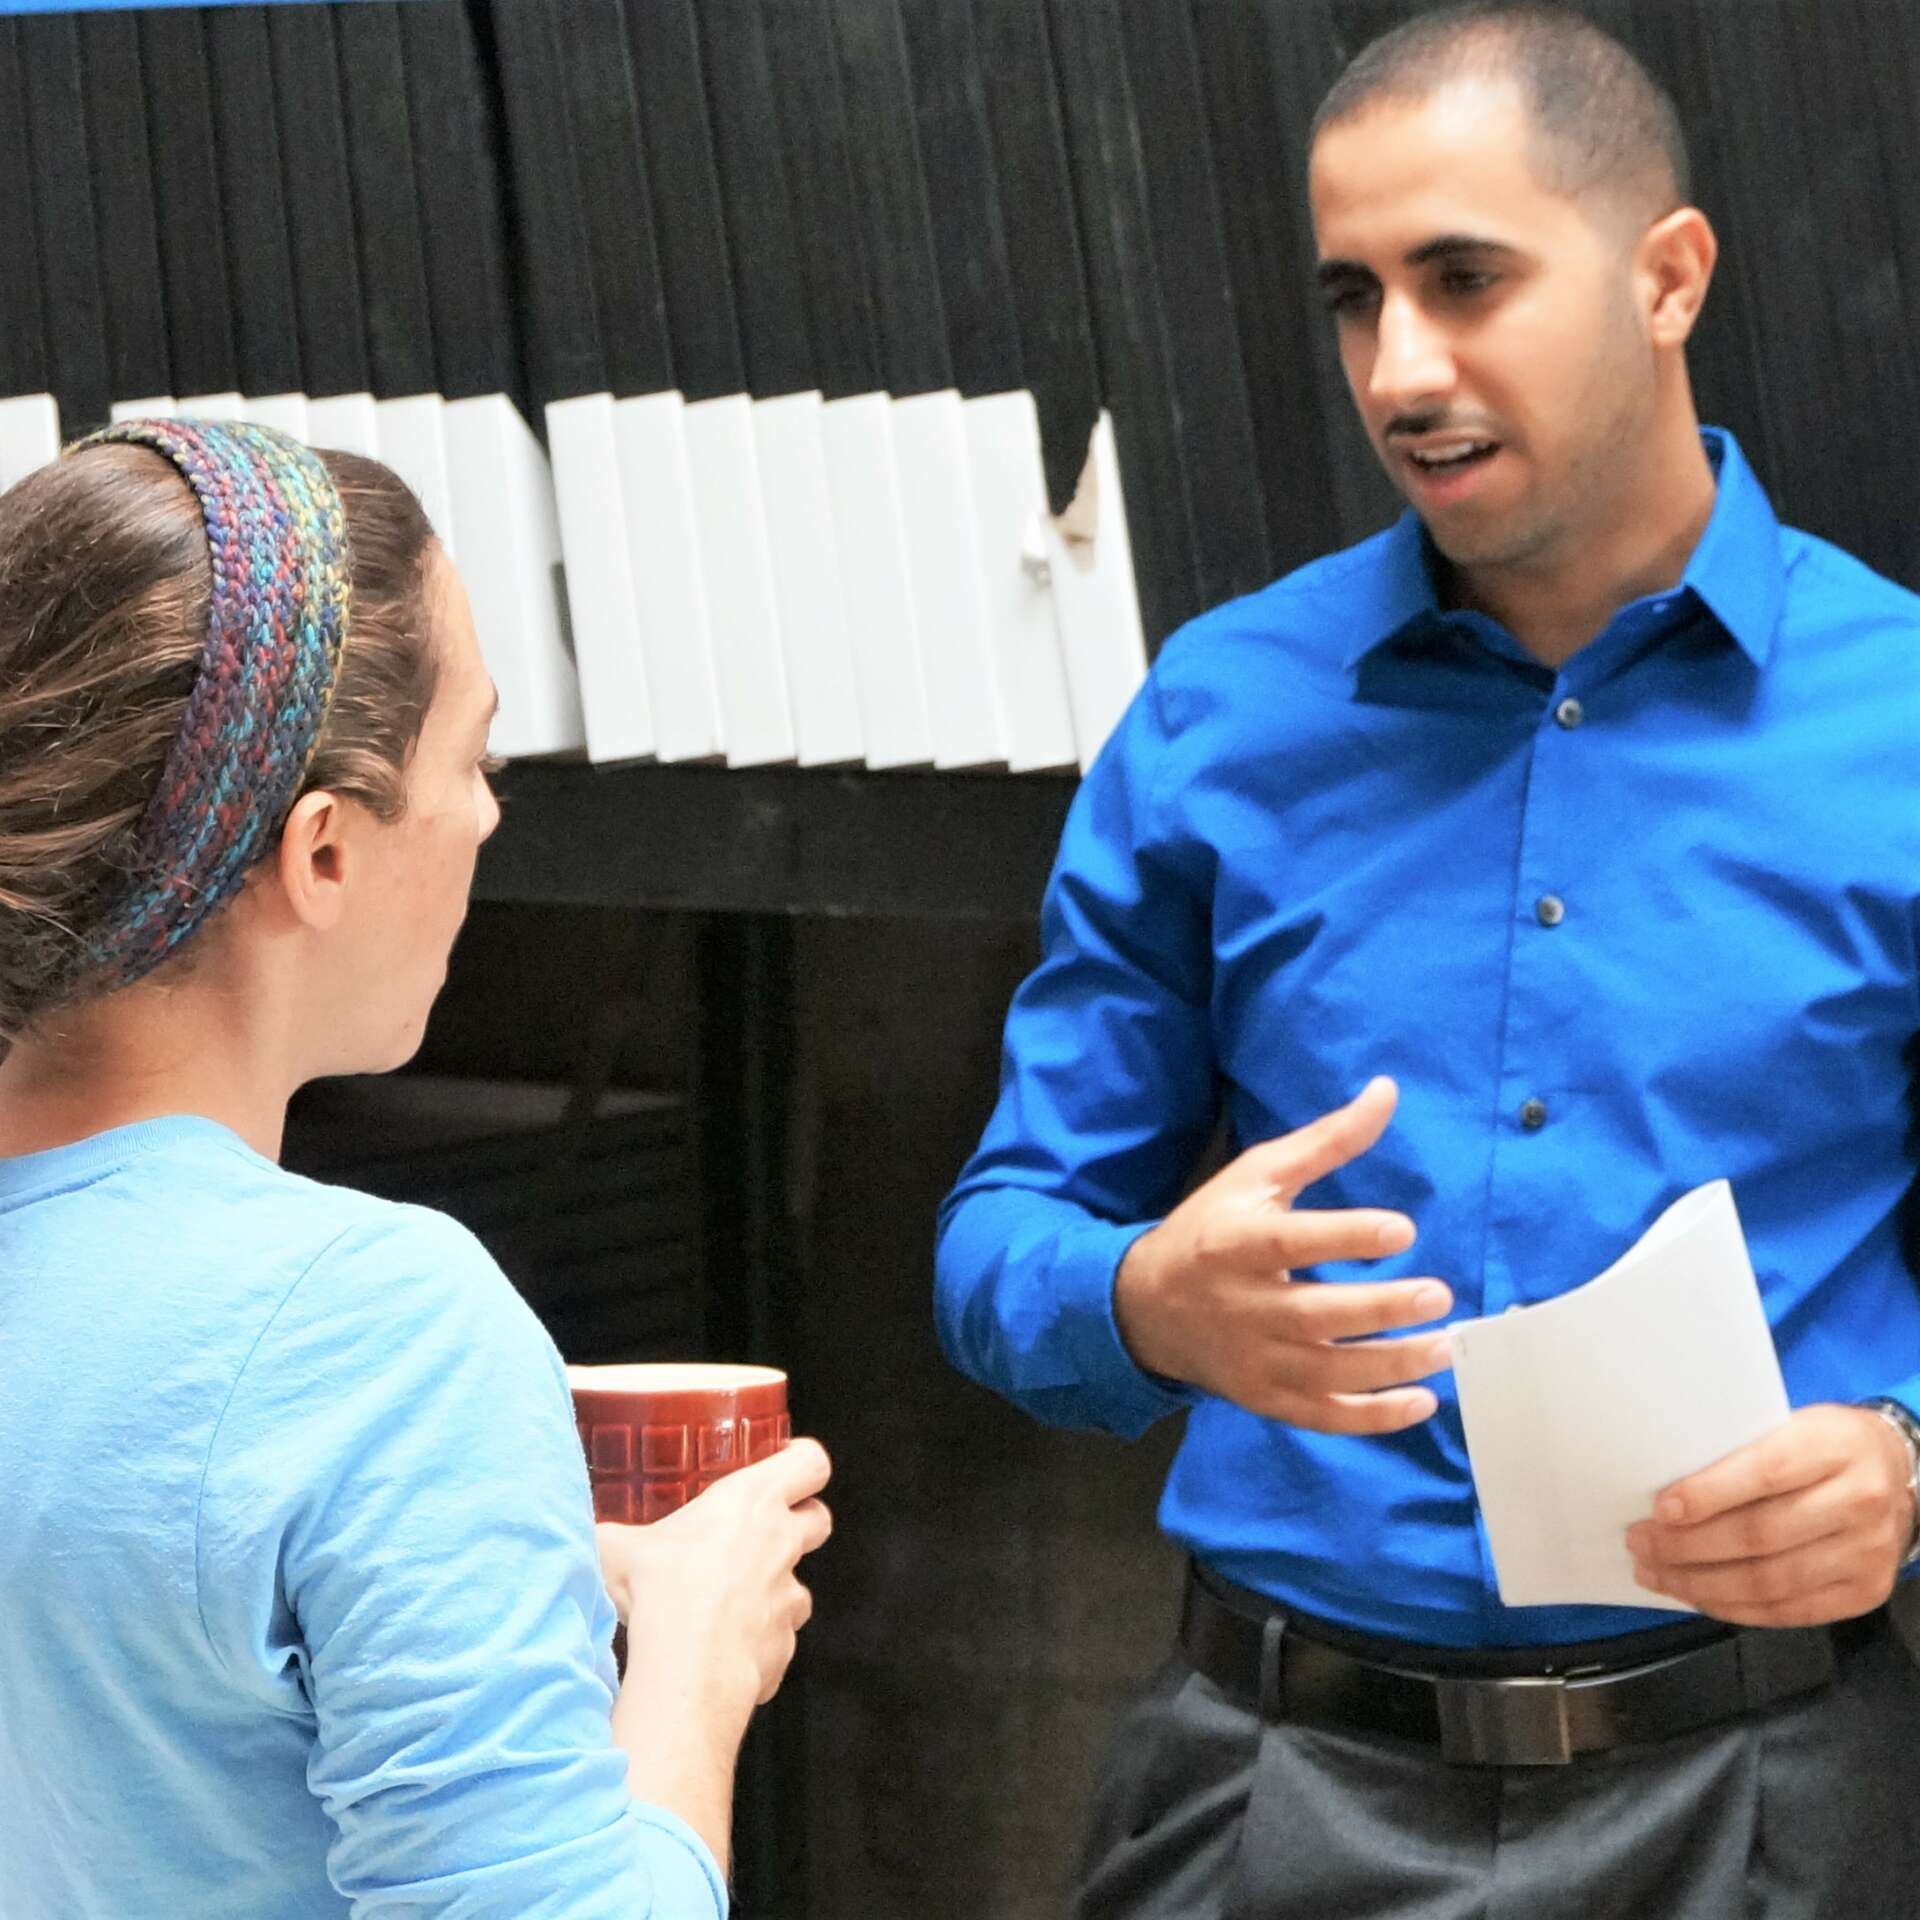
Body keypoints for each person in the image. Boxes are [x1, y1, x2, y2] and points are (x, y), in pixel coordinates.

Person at [936, 6, 1920, 1915]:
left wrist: (1911, 1462)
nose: (1400, 370)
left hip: (1773, 1804)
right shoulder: (1222, 712)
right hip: (1268, 1790)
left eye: (1466, 281)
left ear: (1667, 277)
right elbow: (1001, 1238)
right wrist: (1144, 1300)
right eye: (1354, 298)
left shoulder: (1901, 721)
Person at [0, 419, 831, 1918]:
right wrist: (694, 1671)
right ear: (322, 850)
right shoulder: (374, 1331)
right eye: (475, 756)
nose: (489, 812)